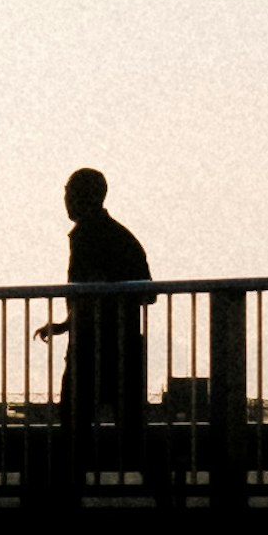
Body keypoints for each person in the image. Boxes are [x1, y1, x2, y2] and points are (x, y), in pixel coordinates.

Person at [58, 167, 154, 465]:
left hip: (92, 348)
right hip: (123, 345)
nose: (66, 201)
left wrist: (87, 307)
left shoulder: (89, 237)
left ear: (79, 197)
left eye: (68, 194)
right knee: (132, 434)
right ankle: (169, 501)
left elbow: (88, 293)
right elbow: (148, 291)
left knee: (73, 431)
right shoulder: (121, 236)